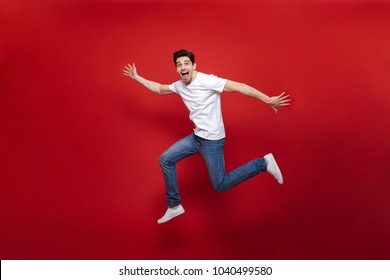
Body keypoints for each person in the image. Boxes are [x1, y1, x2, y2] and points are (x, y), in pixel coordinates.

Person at [123, 49, 291, 224]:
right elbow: (159, 89)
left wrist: (267, 99)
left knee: (220, 185)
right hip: (196, 138)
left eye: (186, 63)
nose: (183, 67)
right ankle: (174, 206)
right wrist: (137, 77)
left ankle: (263, 163)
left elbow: (240, 87)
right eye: (179, 65)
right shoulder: (180, 85)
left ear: (194, 66)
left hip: (213, 141)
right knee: (165, 159)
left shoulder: (207, 80)